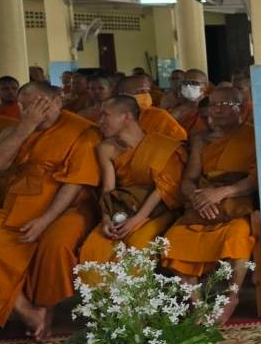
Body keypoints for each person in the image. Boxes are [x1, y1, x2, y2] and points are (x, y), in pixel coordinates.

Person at [0, 83, 100, 339]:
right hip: (18, 205)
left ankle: (46, 308)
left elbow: (75, 183)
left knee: (55, 245)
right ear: (21, 107)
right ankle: (26, 311)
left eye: (45, 104)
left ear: (59, 102)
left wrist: (45, 220)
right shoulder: (15, 129)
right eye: (32, 106)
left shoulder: (82, 131)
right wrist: (25, 127)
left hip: (69, 207)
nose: (39, 111)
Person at [162, 84, 257, 324]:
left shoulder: (253, 135)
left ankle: (231, 297)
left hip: (235, 204)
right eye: (214, 104)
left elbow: (255, 179)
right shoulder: (200, 140)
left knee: (236, 235)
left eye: (225, 104)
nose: (217, 110)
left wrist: (223, 192)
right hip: (203, 203)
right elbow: (189, 179)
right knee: (175, 239)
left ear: (242, 108)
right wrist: (197, 198)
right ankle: (197, 304)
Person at [78, 95, 187, 265]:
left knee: (137, 246)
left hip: (157, 210)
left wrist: (137, 220)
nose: (100, 121)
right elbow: (108, 190)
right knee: (95, 249)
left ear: (127, 117)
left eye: (106, 115)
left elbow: (163, 189)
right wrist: (106, 219)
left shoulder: (163, 146)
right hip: (123, 207)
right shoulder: (106, 148)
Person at [117, 76, 186, 140]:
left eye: (147, 92)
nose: (146, 95)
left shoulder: (158, 115)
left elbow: (180, 140)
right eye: (140, 91)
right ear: (122, 94)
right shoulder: (113, 116)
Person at [165, 69, 210, 135]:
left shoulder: (212, 107)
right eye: (185, 83)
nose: (188, 86)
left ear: (206, 87)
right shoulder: (176, 110)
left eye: (194, 83)